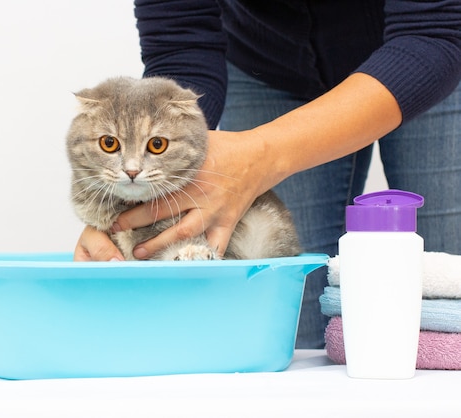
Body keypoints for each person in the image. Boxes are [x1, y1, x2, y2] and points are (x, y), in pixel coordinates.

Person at [74, 0, 461, 348]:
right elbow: (181, 43)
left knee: (452, 302)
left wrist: (259, 156)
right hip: (265, 63)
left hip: (432, 57)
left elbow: (435, 29)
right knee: (289, 327)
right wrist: (131, 198)